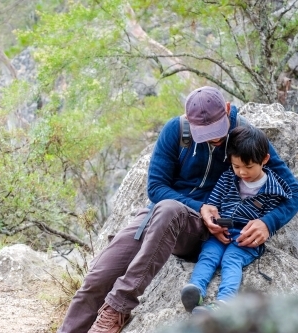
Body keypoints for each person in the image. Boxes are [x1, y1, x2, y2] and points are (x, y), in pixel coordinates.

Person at [57, 86, 298, 333]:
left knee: (170, 209)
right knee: (98, 277)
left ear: (227, 109)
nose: (214, 139)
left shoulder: (244, 135)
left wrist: (269, 223)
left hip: (202, 228)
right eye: (204, 134)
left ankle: (119, 306)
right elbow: (156, 187)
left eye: (217, 131)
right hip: (158, 216)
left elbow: (293, 190)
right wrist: (200, 206)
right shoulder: (176, 131)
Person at [181, 126, 292, 314]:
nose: (242, 172)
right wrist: (216, 225)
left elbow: (270, 218)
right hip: (221, 232)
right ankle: (196, 290)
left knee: (231, 261)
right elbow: (213, 205)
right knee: (208, 256)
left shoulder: (272, 189)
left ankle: (223, 303)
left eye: (248, 167)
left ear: (264, 159)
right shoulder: (227, 178)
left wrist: (264, 227)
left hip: (246, 239)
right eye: (237, 166)